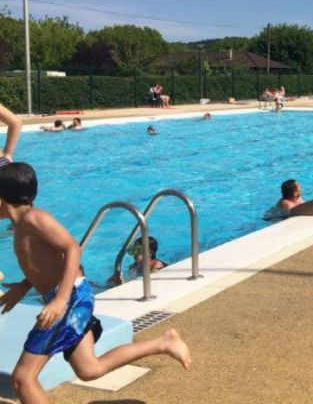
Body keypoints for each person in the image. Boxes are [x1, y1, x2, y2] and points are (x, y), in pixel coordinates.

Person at [0, 163, 190, 402]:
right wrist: (23, 286)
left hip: (68, 299)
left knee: (23, 378)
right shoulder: (22, 224)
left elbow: (72, 249)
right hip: (70, 298)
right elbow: (46, 262)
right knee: (89, 368)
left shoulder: (35, 218)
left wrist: (60, 300)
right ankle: (164, 343)